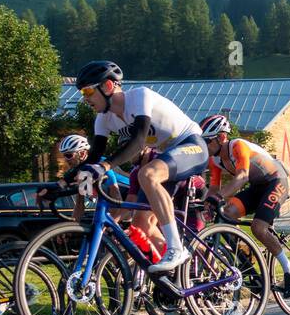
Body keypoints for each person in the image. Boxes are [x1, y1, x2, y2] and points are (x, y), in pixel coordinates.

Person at [74, 60, 207, 274]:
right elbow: (92, 158)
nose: (85, 97)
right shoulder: (103, 119)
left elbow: (138, 140)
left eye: (88, 90)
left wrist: (106, 166)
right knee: (140, 224)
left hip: (191, 145)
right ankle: (177, 277)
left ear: (108, 86)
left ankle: (176, 249)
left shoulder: (139, 97)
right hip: (167, 157)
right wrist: (60, 183)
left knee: (148, 174)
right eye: (82, 93)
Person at [198, 114, 290, 299]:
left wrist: (218, 197)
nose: (205, 146)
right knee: (226, 215)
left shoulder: (238, 146)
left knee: (258, 228)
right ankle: (248, 265)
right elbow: (213, 187)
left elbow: (242, 176)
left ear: (221, 137)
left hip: (276, 180)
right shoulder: (215, 160)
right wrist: (205, 204)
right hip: (257, 187)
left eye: (207, 141)